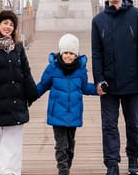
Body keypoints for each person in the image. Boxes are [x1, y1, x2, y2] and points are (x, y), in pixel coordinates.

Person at [91, 0, 138, 175]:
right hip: (109, 83)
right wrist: (98, 79)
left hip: (133, 81)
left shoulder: (137, 15)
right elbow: (96, 53)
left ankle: (133, 158)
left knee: (133, 123)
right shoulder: (98, 21)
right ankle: (111, 164)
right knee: (109, 125)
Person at [0, 10, 39, 175]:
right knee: (0, 143)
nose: (8, 27)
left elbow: (26, 70)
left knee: (13, 143)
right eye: (5, 23)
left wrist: (31, 93)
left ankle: (10, 172)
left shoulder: (17, 47)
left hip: (16, 100)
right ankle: (7, 171)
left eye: (11, 24)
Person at [34, 33, 101, 175]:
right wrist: (30, 96)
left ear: (76, 55)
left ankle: (67, 165)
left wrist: (99, 90)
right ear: (61, 52)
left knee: (70, 145)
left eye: (72, 53)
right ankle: (63, 170)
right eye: (66, 53)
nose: (68, 56)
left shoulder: (80, 70)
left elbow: (84, 88)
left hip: (74, 114)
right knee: (61, 145)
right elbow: (42, 85)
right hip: (57, 114)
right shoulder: (52, 68)